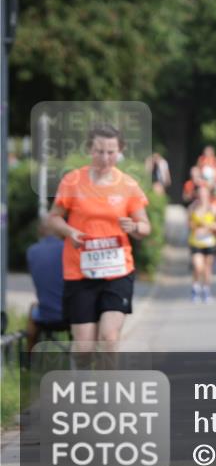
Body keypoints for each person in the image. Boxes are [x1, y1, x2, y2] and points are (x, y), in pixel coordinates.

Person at [46, 124, 151, 357]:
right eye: (99, 151)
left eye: (111, 152)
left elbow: (145, 227)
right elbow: (53, 219)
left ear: (120, 150)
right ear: (89, 149)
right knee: (83, 350)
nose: (105, 158)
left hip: (118, 271)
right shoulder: (72, 181)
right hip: (80, 272)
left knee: (109, 338)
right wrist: (70, 232)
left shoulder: (128, 185)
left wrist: (134, 227)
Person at [24, 224, 66, 355]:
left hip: (45, 315)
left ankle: (28, 360)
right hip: (71, 315)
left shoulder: (32, 251)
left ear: (40, 232)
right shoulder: (68, 249)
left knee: (33, 308)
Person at [188, 184, 216, 303]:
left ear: (208, 195)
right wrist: (197, 227)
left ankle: (206, 289)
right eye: (200, 193)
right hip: (196, 241)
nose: (202, 196)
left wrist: (207, 227)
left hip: (209, 242)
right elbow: (189, 224)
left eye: (204, 193)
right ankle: (195, 287)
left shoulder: (213, 208)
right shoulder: (192, 208)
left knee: (207, 268)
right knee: (198, 266)